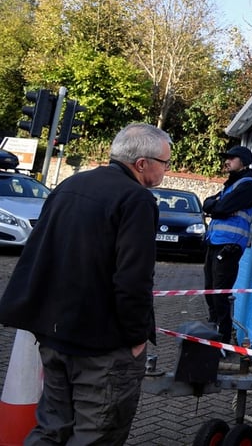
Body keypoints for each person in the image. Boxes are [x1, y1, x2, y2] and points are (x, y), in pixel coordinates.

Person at [0, 123, 172, 444]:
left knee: (52, 427)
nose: (166, 170)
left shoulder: (69, 185)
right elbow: (133, 279)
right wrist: (136, 337)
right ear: (142, 164)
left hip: (55, 335)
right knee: (96, 434)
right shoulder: (137, 200)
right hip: (102, 347)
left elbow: (39, 252)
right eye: (165, 163)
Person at [202, 145, 252, 343]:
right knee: (210, 290)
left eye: (231, 158)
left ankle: (222, 341)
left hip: (229, 246)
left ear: (243, 162)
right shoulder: (231, 184)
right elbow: (208, 203)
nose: (226, 161)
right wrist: (215, 206)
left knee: (220, 295)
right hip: (215, 243)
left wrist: (216, 206)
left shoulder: (247, 185)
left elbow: (220, 207)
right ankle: (213, 330)